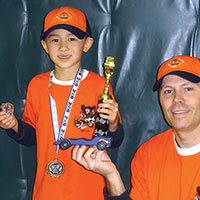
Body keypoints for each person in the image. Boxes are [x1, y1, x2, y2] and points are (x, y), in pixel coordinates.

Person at [0, 6, 124, 200]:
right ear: (45, 45)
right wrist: (14, 126)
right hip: (46, 191)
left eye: (72, 39)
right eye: (55, 39)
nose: (63, 47)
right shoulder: (37, 85)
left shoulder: (100, 85)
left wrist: (114, 122)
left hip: (89, 191)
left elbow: (114, 141)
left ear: (87, 43)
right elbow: (33, 137)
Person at [72, 55, 200, 200]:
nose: (177, 99)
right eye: (168, 91)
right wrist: (112, 177)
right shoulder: (148, 154)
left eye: (188, 89)